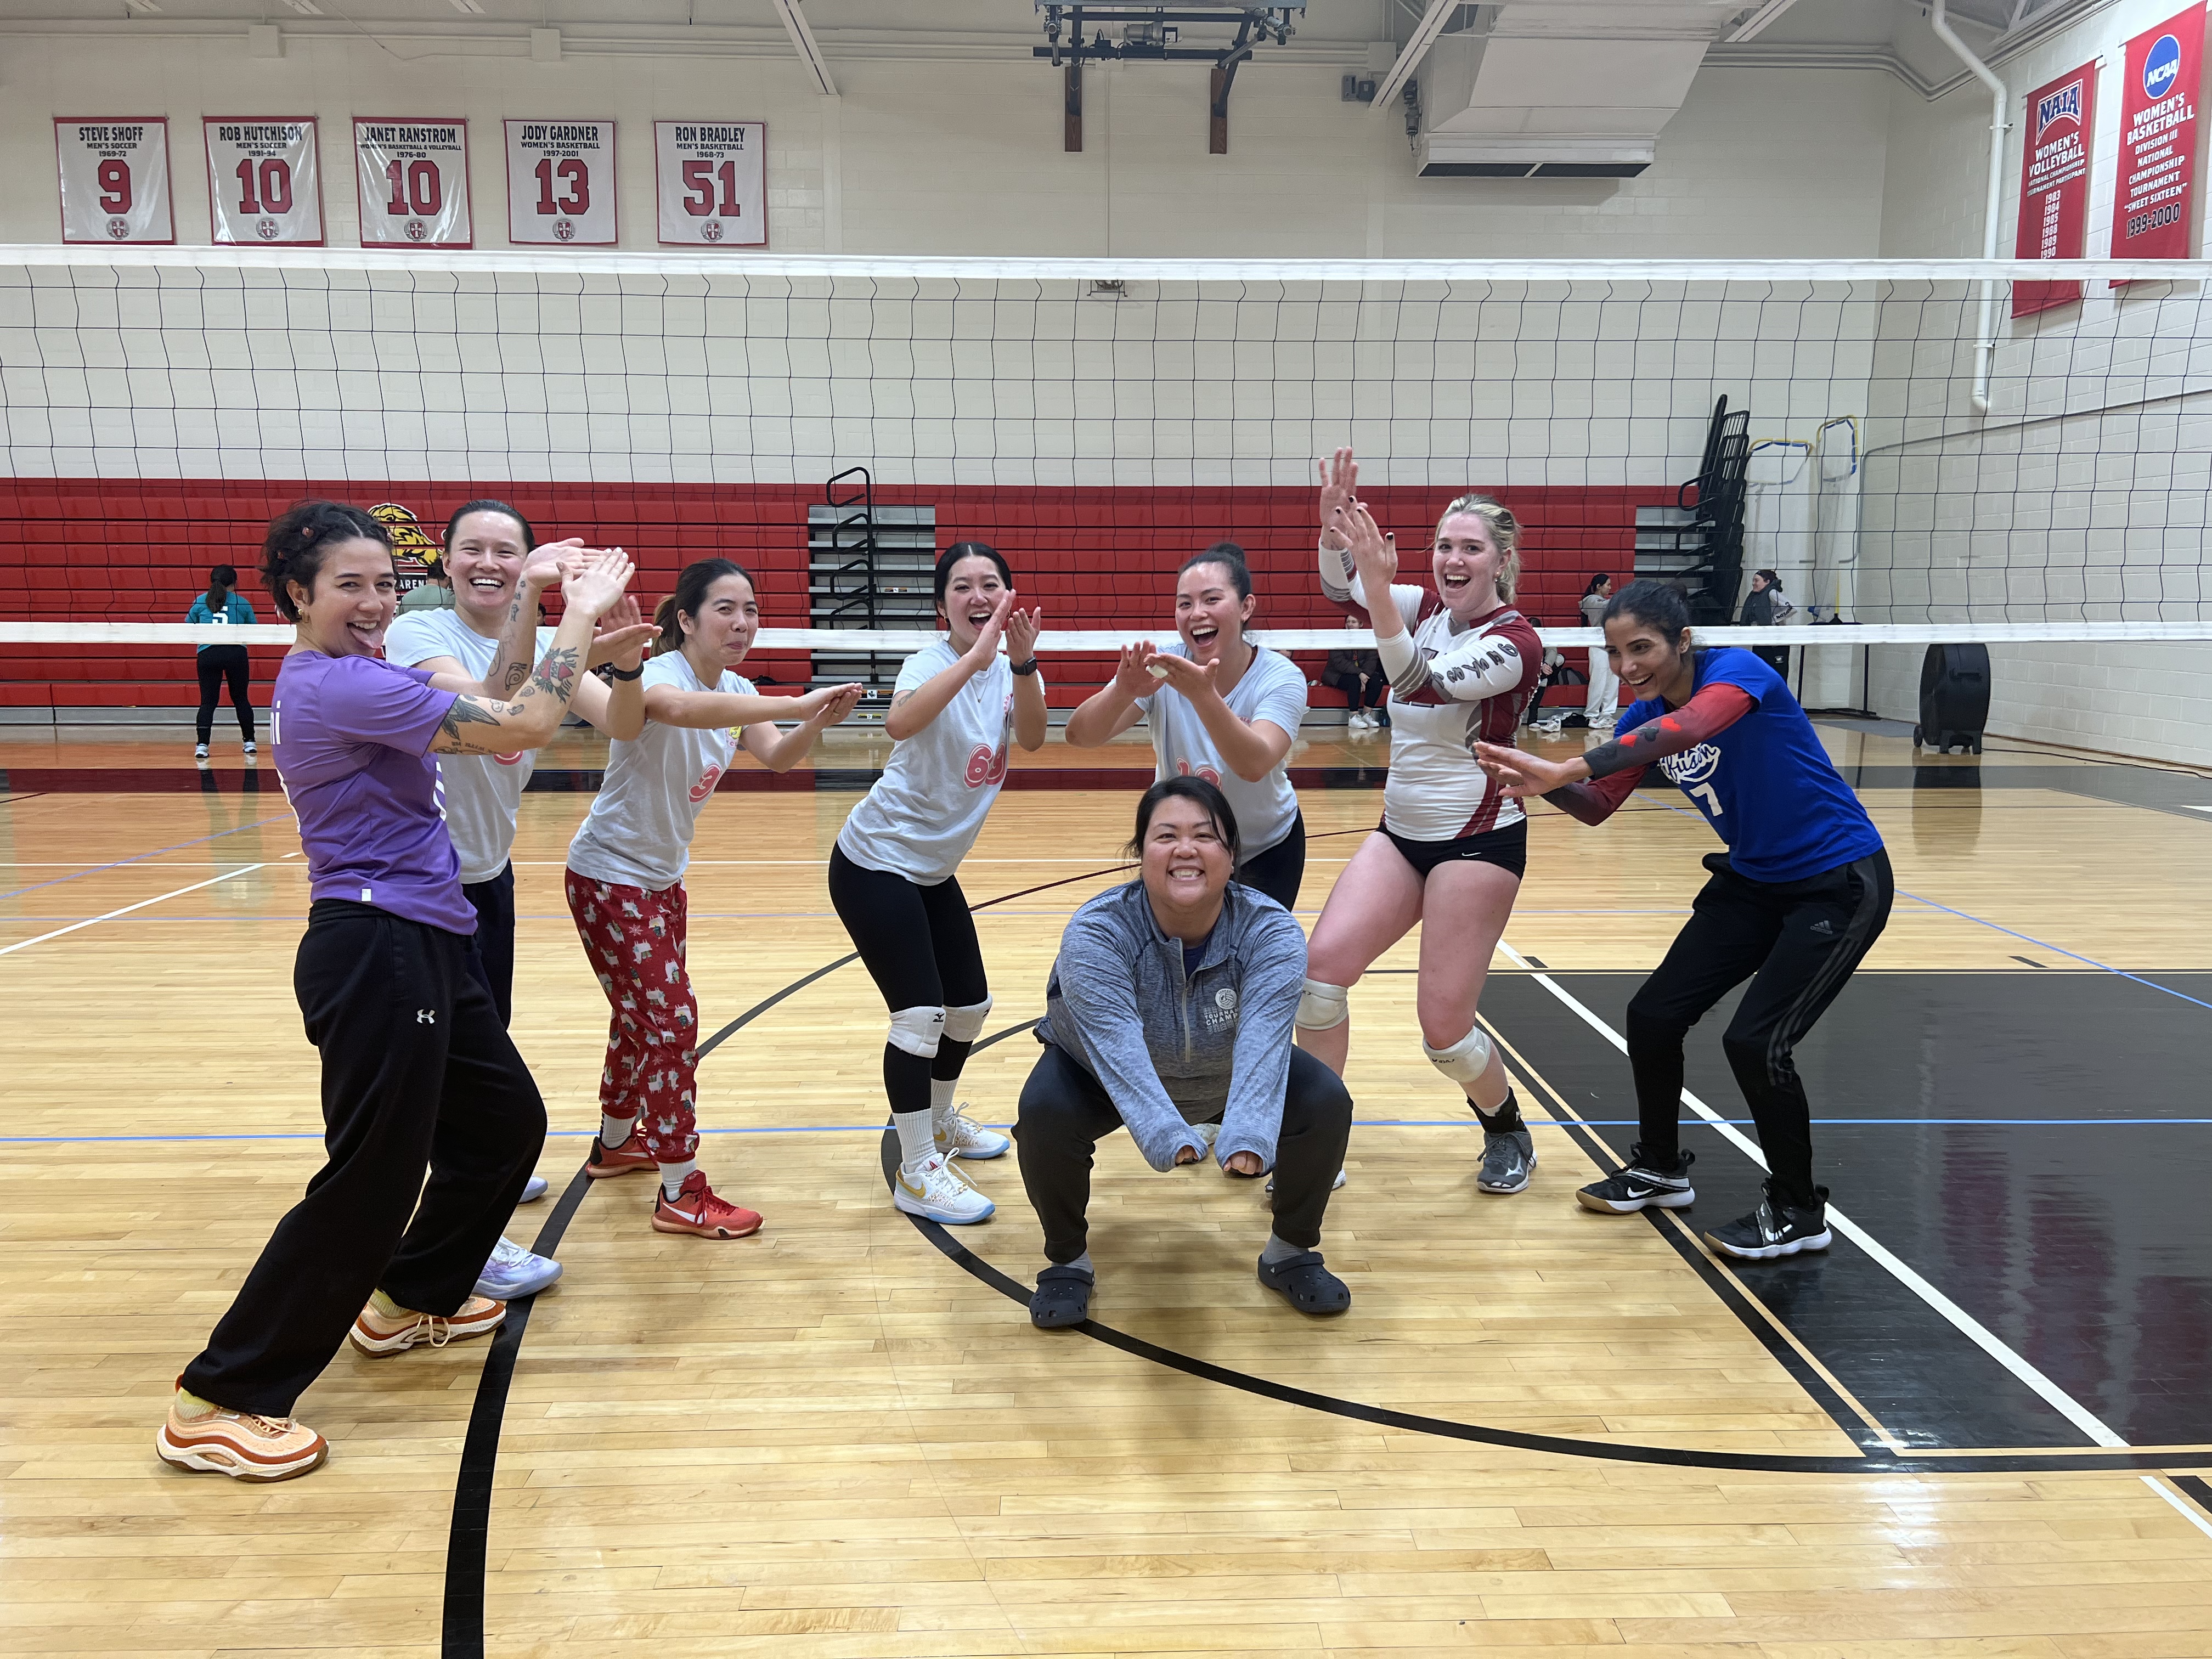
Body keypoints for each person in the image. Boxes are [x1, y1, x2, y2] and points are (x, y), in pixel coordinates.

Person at [156, 502, 636, 1483]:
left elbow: (496, 694)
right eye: (350, 585)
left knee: (502, 1127)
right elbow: (528, 722)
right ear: (298, 595)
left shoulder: (366, 672)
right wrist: (582, 612)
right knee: (373, 1177)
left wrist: (532, 594)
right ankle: (222, 1395)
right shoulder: (337, 684)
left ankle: (410, 1298)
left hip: (429, 936)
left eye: (385, 583)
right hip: (377, 946)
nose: (375, 602)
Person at [1474, 578, 1892, 1261]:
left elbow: (1694, 727)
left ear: (1683, 640)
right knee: (1653, 1016)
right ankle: (1661, 1168)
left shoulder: (1738, 672)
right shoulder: (1644, 716)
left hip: (1836, 881)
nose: (1627, 665)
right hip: (1754, 881)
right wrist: (1536, 783)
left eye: (1641, 648)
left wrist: (1567, 765)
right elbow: (1597, 806)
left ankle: (1798, 1209)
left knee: (1757, 1042)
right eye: (1615, 653)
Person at [385, 499, 656, 1302]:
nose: (489, 564)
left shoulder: (543, 643)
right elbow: (499, 711)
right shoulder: (417, 633)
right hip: (424, 887)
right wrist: (549, 605)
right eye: (473, 549)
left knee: (484, 1043)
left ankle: (476, 1168)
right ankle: (469, 1235)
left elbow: (626, 726)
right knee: (456, 1064)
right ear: (445, 561)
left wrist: (630, 664)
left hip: (487, 875)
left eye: (507, 551)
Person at [565, 558, 865, 1241]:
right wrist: (794, 703)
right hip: (609, 877)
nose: (741, 623)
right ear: (687, 620)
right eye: (725, 609)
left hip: (661, 880)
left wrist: (816, 720)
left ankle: (617, 1142)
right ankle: (680, 1191)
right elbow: (676, 710)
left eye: (750, 610)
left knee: (640, 1020)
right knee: (672, 1024)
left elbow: (777, 757)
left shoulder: (737, 688)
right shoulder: (659, 676)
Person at [1015, 777, 1353, 1327]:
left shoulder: (1271, 931)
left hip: (1224, 1073)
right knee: (1043, 1113)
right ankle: (1067, 1262)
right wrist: (1165, 1132)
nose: (1186, 849)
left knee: (1326, 1103)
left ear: (1232, 854)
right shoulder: (1097, 931)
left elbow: (1265, 1038)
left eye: (1205, 835)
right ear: (1141, 852)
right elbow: (1117, 1044)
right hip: (1101, 1075)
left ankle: (1290, 1253)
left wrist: (1248, 1130)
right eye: (1166, 835)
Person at [1297, 449, 1544, 1195]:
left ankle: (1506, 1128)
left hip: (1478, 842)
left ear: (1502, 561)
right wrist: (1333, 531)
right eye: (1443, 545)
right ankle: (1318, 1142)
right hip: (1400, 834)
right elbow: (1339, 588)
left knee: (1444, 1032)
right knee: (1317, 979)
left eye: (1470, 548)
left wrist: (1377, 586)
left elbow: (1417, 681)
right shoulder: (1424, 612)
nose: (1452, 559)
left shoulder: (1515, 642)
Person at [828, 540, 1047, 1228]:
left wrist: (1022, 664)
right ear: (941, 607)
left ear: (1009, 598)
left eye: (991, 584)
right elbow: (899, 722)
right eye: (962, 586)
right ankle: (917, 1168)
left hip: (932, 872)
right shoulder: (929, 663)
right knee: (920, 1016)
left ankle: (942, 1118)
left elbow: (1034, 738)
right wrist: (974, 660)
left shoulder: (1011, 669)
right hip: (874, 862)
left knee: (970, 1006)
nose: (978, 596)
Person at [1064, 542, 1311, 911]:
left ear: (1246, 607)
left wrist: (1203, 696)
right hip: (1184, 847)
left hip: (1264, 847)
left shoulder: (1280, 677)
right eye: (1185, 603)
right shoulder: (1162, 665)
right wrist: (1123, 691)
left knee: (1251, 947)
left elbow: (1254, 764)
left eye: (1212, 600)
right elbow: (1079, 736)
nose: (1197, 613)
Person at [187, 564, 257, 761]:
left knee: (208, 702)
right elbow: (254, 629)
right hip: (236, 653)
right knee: (241, 699)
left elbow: (188, 626)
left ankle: (202, 746)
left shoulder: (201, 601)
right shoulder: (242, 603)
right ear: (234, 583)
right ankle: (250, 742)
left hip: (209, 653)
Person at [1321, 619, 1389, 731]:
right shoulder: (1338, 638)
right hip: (1337, 674)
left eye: (1354, 622)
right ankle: (1353, 717)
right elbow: (1339, 662)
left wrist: (1365, 675)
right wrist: (1360, 673)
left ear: (1361, 624)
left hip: (1362, 673)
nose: (1350, 625)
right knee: (1354, 681)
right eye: (1348, 622)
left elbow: (1372, 659)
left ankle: (1366, 715)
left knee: (1377, 680)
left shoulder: (1368, 638)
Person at [1740, 569, 1794, 679]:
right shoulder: (1755, 596)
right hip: (1761, 640)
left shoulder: (1772, 593)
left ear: (1767, 582)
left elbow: (1791, 608)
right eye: (1753, 581)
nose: (1753, 583)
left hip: (1776, 643)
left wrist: (1774, 619)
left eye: (1756, 580)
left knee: (1777, 674)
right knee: (1761, 672)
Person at [1579, 574, 1617, 727]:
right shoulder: (1590, 600)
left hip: (1613, 645)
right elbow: (1605, 606)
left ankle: (1607, 714)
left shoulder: (1609, 602)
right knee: (1599, 682)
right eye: (1607, 585)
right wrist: (1622, 599)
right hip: (1597, 646)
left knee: (1613, 682)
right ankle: (1592, 715)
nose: (1610, 588)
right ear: (1598, 586)